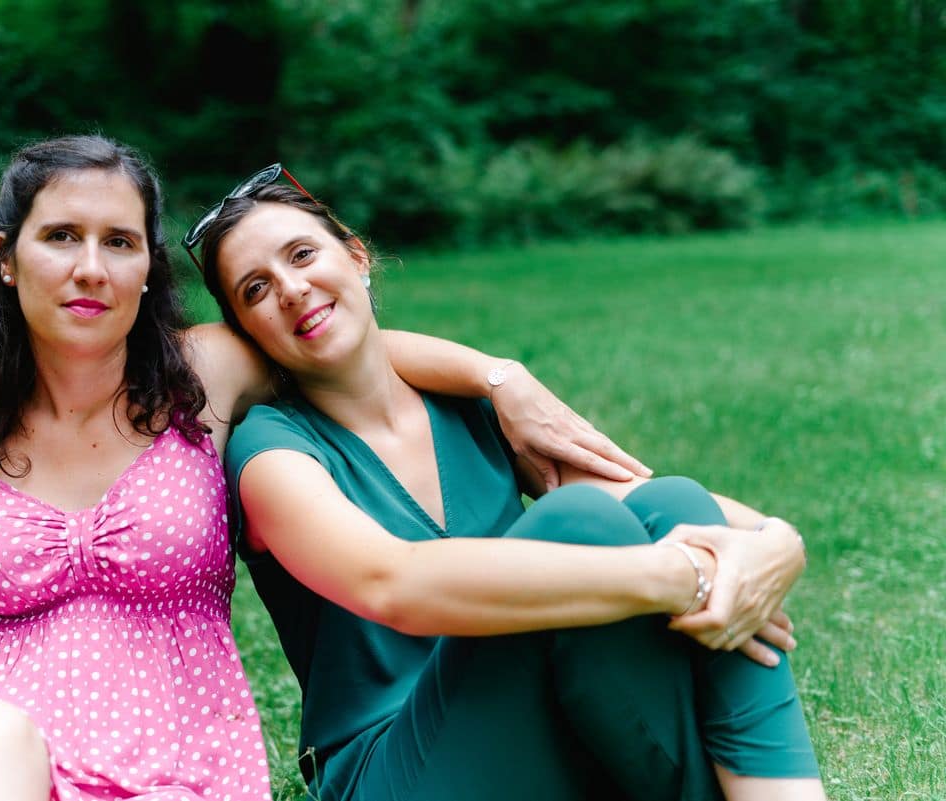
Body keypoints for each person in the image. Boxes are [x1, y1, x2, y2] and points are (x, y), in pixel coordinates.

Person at [0, 137, 648, 801]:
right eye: (61, 236)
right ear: (9, 259)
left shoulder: (208, 376)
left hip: (172, 768)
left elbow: (345, 351)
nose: (91, 267)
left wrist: (496, 377)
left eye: (119, 242)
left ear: (149, 270)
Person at [192, 171, 829, 801]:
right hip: (395, 771)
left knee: (673, 503)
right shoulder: (270, 451)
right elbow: (392, 584)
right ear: (248, 334)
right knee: (579, 526)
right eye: (256, 290)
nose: (293, 289)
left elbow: (663, 505)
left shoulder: (470, 409)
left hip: (533, 734)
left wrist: (778, 542)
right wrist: (682, 575)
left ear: (356, 256)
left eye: (302, 255)